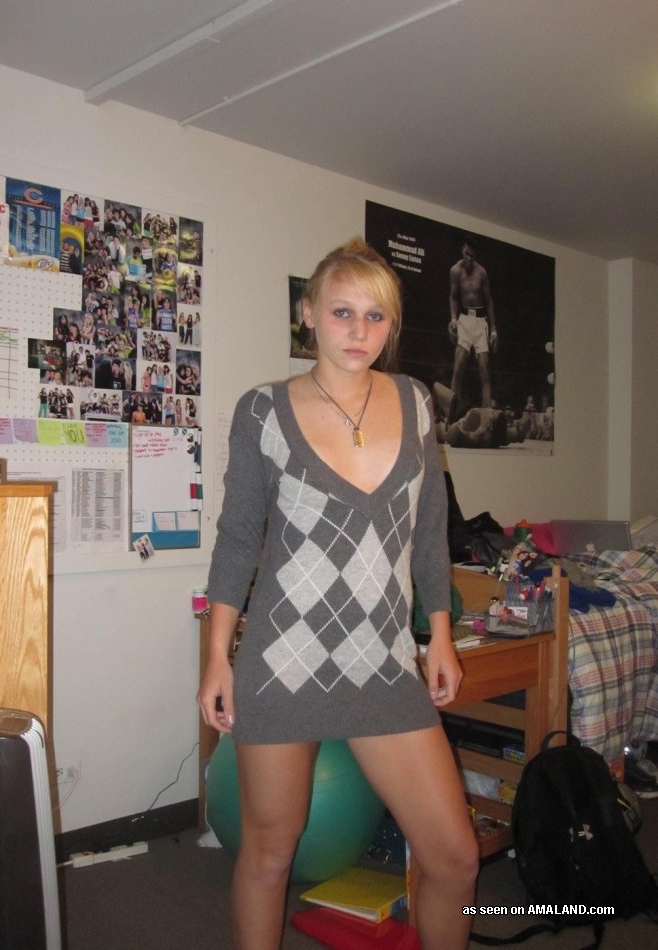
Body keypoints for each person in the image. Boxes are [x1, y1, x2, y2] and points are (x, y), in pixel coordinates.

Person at [197, 238, 478, 950]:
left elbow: (429, 530)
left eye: (376, 316)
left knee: (454, 857)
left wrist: (440, 635)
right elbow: (237, 539)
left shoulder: (415, 403)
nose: (359, 331)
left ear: (391, 326)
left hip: (382, 660)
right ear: (308, 314)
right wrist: (217, 656)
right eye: (342, 312)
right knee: (269, 854)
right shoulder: (262, 411)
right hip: (282, 662)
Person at [448, 235, 498, 409]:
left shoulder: (481, 272)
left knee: (484, 370)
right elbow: (453, 296)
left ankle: (487, 413)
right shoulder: (455, 271)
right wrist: (453, 319)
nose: (469, 258)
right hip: (464, 320)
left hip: (480, 321)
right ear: (462, 250)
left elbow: (489, 300)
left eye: (472, 256)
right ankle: (452, 411)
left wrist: (493, 329)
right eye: (467, 254)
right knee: (458, 367)